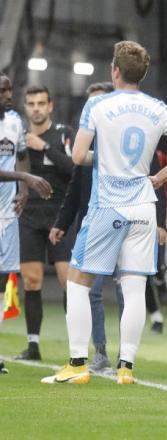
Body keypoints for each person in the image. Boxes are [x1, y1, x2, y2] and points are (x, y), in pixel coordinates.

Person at [41, 40, 167, 386]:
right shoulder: (157, 108)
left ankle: (77, 363)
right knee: (133, 287)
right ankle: (126, 368)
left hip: (107, 203)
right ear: (142, 74)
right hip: (144, 205)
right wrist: (159, 176)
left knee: (78, 281)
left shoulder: (97, 105)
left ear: (115, 70)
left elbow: (79, 155)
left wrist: (103, 155)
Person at [49, 81, 167, 373]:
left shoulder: (101, 147)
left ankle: (86, 359)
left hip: (105, 216)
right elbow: (75, 189)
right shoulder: (140, 132)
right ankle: (107, 354)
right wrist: (62, 223)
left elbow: (155, 182)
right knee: (115, 290)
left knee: (94, 287)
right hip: (127, 216)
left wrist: (162, 222)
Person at [14, 86, 74, 361]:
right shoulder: (17, 138)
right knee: (32, 280)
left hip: (59, 215)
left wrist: (46, 147)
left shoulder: (63, 134)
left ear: (50, 106)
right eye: (31, 103)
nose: (36, 108)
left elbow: (74, 168)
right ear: (25, 107)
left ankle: (76, 345)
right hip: (29, 215)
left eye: (41, 103)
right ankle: (33, 345)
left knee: (68, 281)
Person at [0, 73, 52, 375]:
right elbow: (23, 171)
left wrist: (21, 193)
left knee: (4, 282)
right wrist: (25, 179)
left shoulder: (15, 122)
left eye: (9, 88)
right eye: (2, 90)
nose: (8, 94)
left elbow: (21, 157)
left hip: (7, 215)